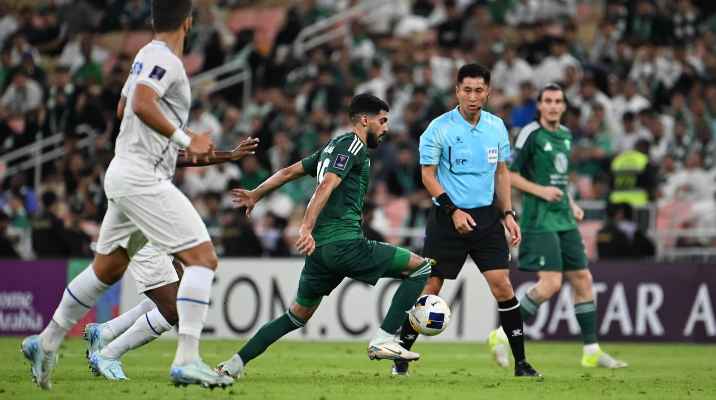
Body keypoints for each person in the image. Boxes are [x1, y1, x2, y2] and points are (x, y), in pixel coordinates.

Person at [22, 0, 233, 389]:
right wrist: (186, 138)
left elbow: (123, 107)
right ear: (188, 23)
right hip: (142, 177)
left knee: (107, 270)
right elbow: (139, 103)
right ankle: (187, 359)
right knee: (202, 258)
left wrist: (161, 141)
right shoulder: (167, 60)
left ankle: (45, 340)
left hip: (125, 170)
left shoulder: (144, 55)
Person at [215, 93, 434, 378]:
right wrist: (305, 227)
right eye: (382, 121)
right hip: (344, 244)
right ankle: (383, 338)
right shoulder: (352, 146)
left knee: (296, 315)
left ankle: (234, 364)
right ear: (365, 120)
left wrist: (256, 193)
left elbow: (288, 172)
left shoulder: (332, 147)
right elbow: (326, 186)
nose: (386, 128)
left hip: (320, 253)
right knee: (421, 268)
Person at [394, 63, 540, 377]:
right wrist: (453, 210)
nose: (473, 96)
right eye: (467, 90)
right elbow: (428, 176)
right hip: (447, 219)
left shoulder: (497, 127)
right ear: (457, 91)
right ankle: (401, 356)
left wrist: (508, 214)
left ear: (488, 92)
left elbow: (502, 173)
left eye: (479, 90)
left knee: (503, 286)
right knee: (431, 287)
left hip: (486, 218)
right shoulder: (438, 128)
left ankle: (522, 364)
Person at [83, 138, 259, 381]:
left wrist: (228, 155)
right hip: (140, 229)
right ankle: (109, 354)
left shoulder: (144, 139)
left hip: (155, 226)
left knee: (179, 290)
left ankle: (105, 332)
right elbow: (184, 157)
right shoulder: (144, 139)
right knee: (172, 308)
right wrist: (228, 156)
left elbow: (183, 156)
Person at [496, 83, 627, 369]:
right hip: (539, 218)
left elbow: (560, 179)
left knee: (583, 279)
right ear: (540, 106)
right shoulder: (531, 133)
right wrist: (541, 191)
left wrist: (571, 203)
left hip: (563, 217)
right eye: (548, 101)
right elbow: (508, 174)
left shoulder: (566, 136)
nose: (553, 106)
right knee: (551, 284)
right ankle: (502, 335)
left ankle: (591, 350)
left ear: (564, 106)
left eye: (558, 101)